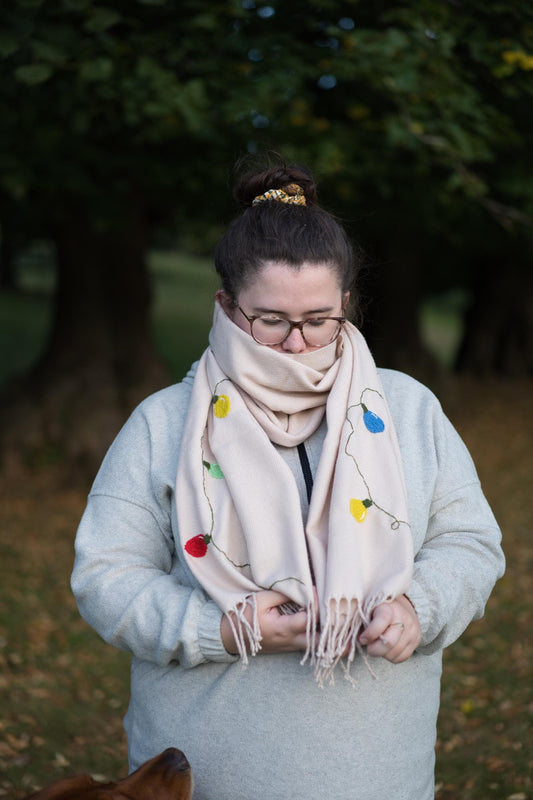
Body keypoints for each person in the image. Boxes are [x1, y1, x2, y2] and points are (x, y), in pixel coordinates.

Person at [71, 161, 505, 800]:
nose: (297, 344)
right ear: (226, 303)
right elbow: (105, 575)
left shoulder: (409, 409)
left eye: (319, 319)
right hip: (211, 772)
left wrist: (420, 606)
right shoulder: (164, 424)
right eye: (271, 319)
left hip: (377, 770)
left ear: (346, 306)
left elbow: (471, 541)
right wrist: (221, 629)